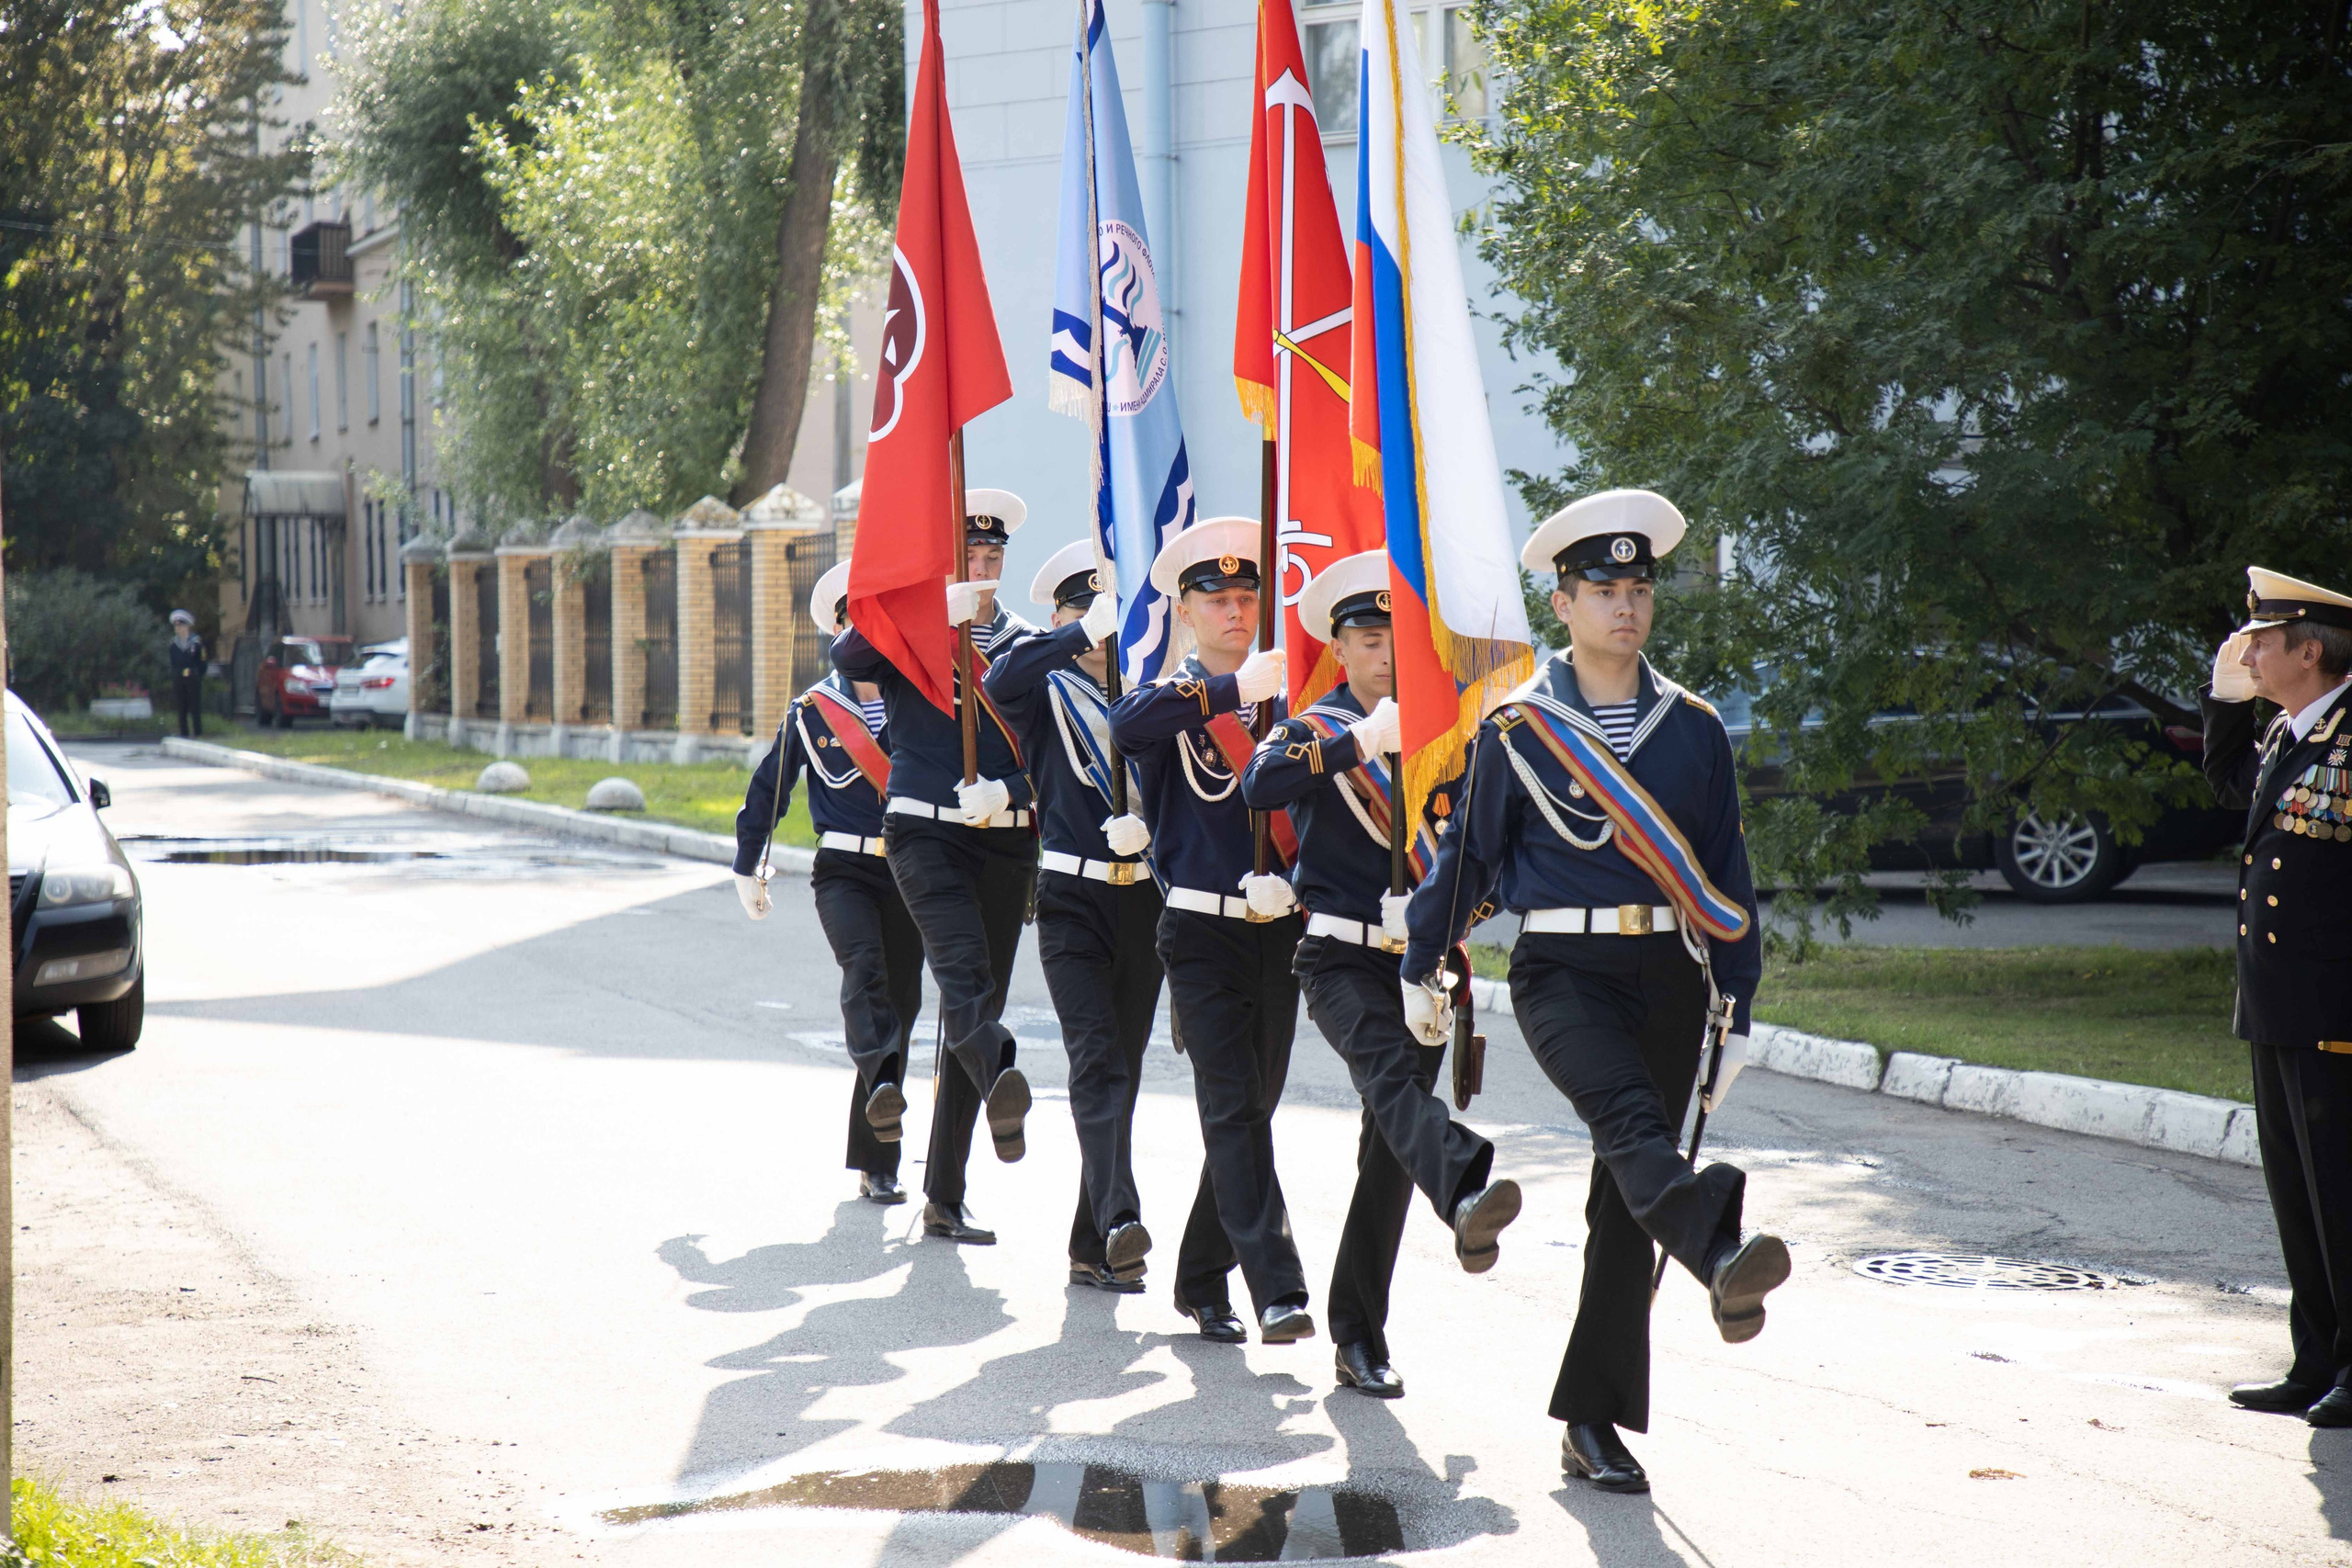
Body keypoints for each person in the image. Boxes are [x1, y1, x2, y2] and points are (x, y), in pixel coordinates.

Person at [1402, 488, 1787, 1495]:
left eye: (1638, 586)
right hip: (1562, 971)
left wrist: (1736, 1004)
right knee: (1625, 1122)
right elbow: (1469, 859)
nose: (1626, 604)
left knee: (1625, 1200)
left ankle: (1592, 1421)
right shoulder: (1520, 726)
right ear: (1562, 604)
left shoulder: (1691, 728)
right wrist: (1423, 961)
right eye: (1602, 588)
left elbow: (1726, 872)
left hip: (1668, 970)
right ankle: (1714, 1243)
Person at [1241, 550, 1522, 1400]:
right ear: (1340, 646)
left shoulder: (1444, 739)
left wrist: (1444, 915)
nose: (1384, 653)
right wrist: (1359, 741)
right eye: (1367, 638)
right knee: (1393, 1083)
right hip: (1336, 955)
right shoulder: (1316, 725)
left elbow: (1488, 857)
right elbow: (1262, 782)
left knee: (1388, 1156)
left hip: (1420, 959)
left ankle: (1359, 1334)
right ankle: (1466, 1182)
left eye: (1394, 635)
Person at [1107, 517, 1314, 1347]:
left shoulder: (1295, 708)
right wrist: (1230, 692)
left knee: (1251, 1111)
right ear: (1185, 612)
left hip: (1279, 934)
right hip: (1198, 931)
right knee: (1232, 1108)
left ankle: (1199, 1275)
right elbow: (1127, 727)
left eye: (1246, 594)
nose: (1236, 610)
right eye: (1216, 598)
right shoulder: (1175, 703)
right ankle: (1279, 1288)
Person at [831, 489, 1039, 1245]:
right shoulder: (904, 632)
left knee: (969, 1007)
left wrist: (1011, 791)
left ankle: (947, 1193)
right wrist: (924, 609)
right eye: (969, 559)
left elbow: (1047, 760)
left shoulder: (1021, 641)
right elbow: (844, 654)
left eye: (991, 559)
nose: (982, 571)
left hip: (1003, 841)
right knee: (963, 983)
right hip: (925, 832)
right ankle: (1000, 1069)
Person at [984, 539, 1165, 1293]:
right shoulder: (1045, 689)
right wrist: (1074, 634)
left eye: (1112, 616)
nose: (1102, 634)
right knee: (1096, 1060)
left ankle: (1093, 1242)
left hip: (1143, 901)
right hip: (1070, 900)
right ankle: (1123, 1216)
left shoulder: (1150, 693)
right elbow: (999, 676)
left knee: (1122, 1072)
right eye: (1084, 614)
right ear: (1060, 616)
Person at [2201, 566, 2352, 1427]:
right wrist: (2224, 704)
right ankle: (2316, 1360)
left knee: (2342, 1194)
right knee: (2298, 1193)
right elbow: (2233, 795)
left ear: (2311, 648)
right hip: (2277, 1002)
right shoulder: (2292, 734)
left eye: (2263, 638)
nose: (2247, 650)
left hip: (2335, 1007)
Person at [731, 562, 922, 1207]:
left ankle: (879, 1158)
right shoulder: (815, 710)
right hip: (843, 869)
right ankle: (881, 1100)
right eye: (853, 620)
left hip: (912, 870)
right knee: (864, 972)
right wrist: (747, 863)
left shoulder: (918, 700)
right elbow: (769, 789)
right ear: (837, 630)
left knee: (902, 1008)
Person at [167, 611, 206, 737]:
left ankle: (198, 733)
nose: (178, 628)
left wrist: (199, 675)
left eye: (181, 626)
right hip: (179, 679)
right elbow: (173, 662)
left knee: (195, 708)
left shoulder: (196, 643)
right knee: (181, 708)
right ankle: (184, 734)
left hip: (193, 679)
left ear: (187, 626)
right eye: (176, 626)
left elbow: (203, 661)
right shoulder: (173, 644)